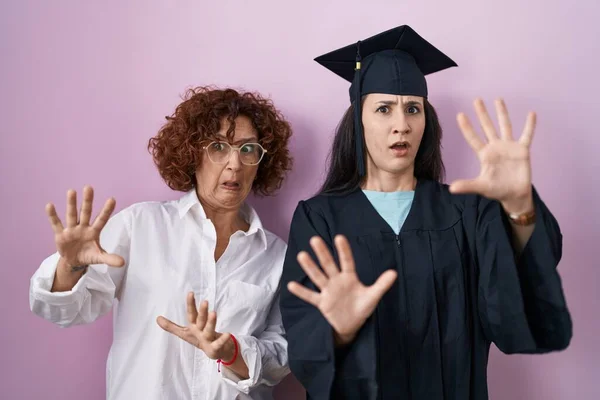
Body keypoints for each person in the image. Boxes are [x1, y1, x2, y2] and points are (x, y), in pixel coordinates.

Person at [280, 25, 572, 400]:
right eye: (384, 109)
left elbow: (514, 307)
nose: (401, 124)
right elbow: (304, 346)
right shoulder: (320, 218)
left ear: (425, 122)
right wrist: (339, 331)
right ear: (359, 120)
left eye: (412, 109)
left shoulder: (468, 212)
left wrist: (519, 207)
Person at [29, 86, 293, 400]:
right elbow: (65, 311)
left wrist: (233, 352)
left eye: (248, 149)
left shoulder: (277, 255)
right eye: (219, 147)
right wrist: (71, 266)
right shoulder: (140, 226)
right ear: (192, 152)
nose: (235, 163)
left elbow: (282, 355)